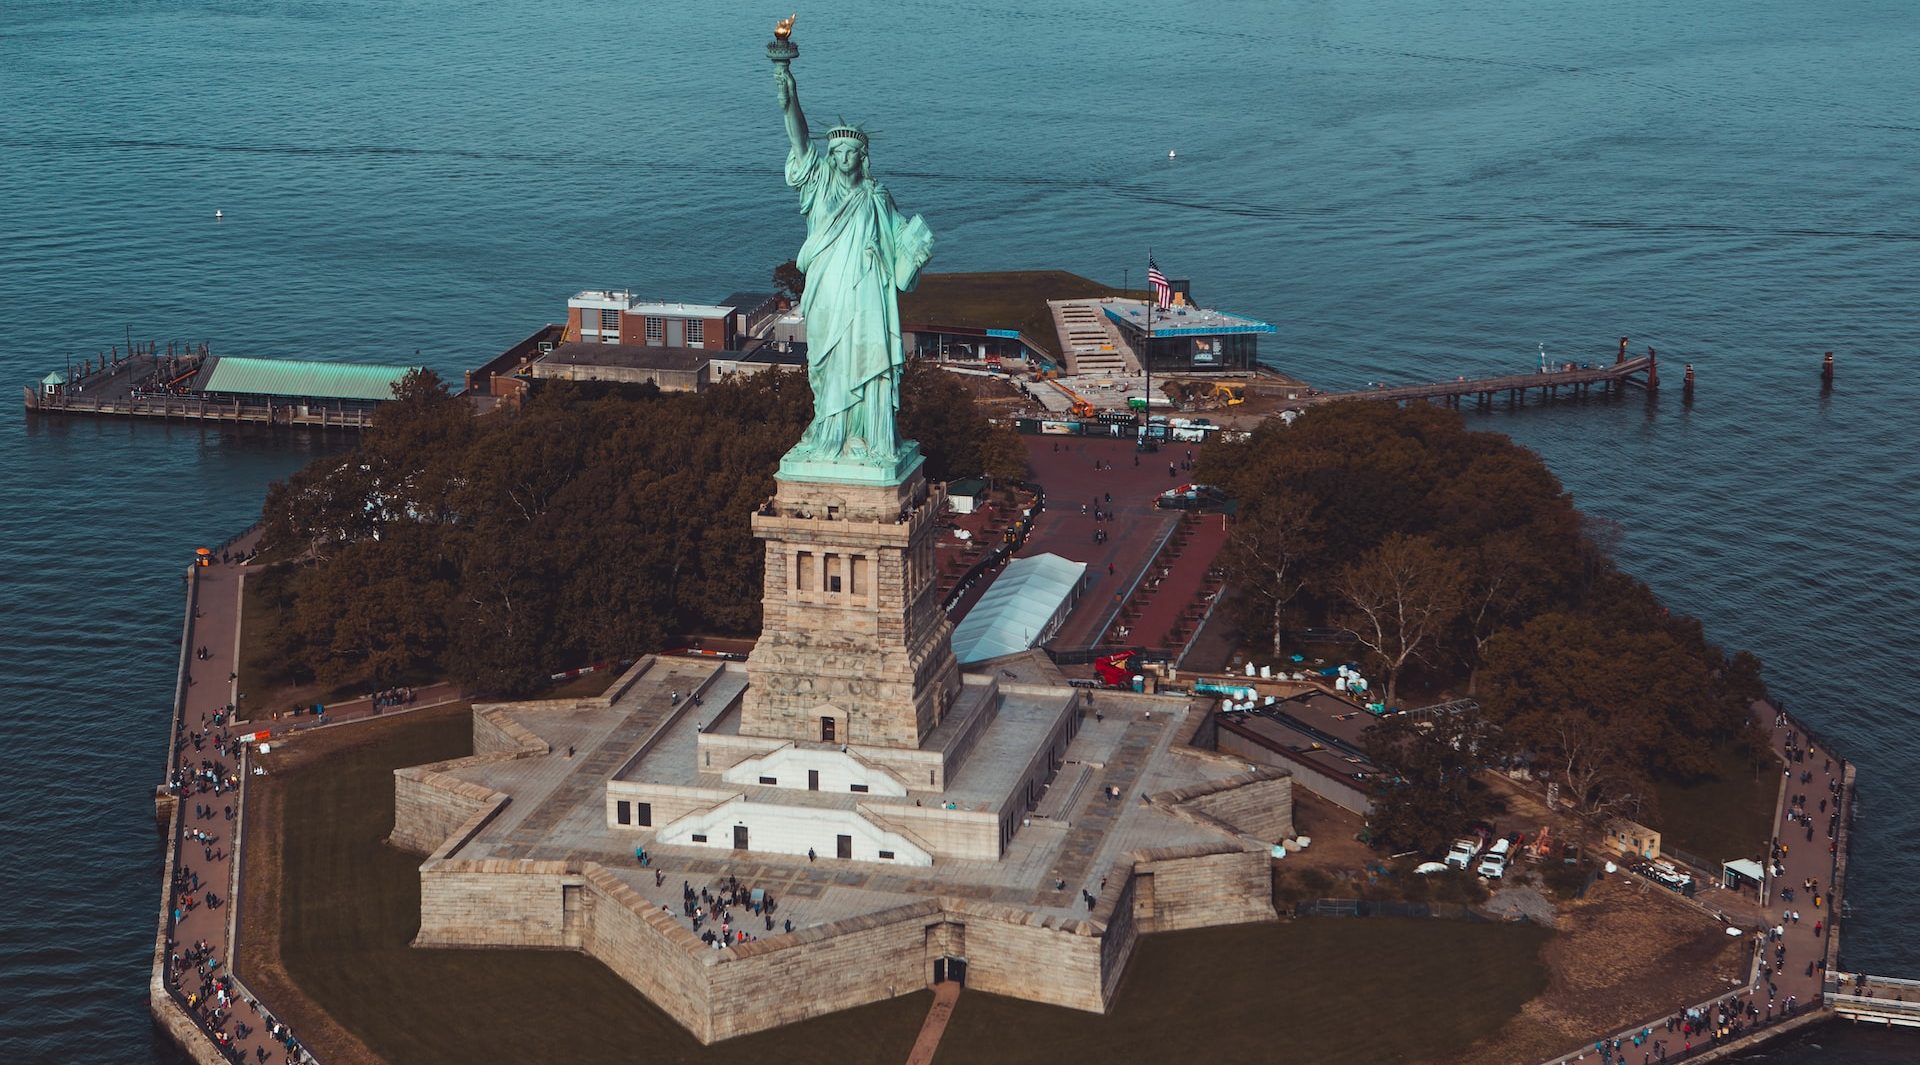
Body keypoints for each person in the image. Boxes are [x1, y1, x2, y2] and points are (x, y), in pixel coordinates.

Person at [773, 60, 934, 465]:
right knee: (826, 360)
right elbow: (799, 141)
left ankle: (870, 434)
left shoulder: (879, 197)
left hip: (867, 293)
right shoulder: (820, 181)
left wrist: (917, 248)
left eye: (851, 152)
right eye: (838, 151)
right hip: (828, 288)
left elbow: (902, 243)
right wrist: (790, 97)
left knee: (867, 358)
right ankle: (830, 430)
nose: (844, 158)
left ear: (863, 157)